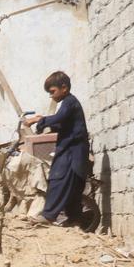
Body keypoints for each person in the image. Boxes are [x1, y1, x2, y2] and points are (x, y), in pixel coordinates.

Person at [24, 71, 90, 226]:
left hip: (73, 152)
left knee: (59, 180)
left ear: (64, 88)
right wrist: (45, 123)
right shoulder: (68, 103)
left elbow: (60, 118)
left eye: (52, 92)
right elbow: (62, 123)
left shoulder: (69, 102)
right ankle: (75, 219)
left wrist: (38, 120)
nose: (51, 96)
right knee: (71, 187)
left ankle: (49, 216)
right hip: (71, 151)